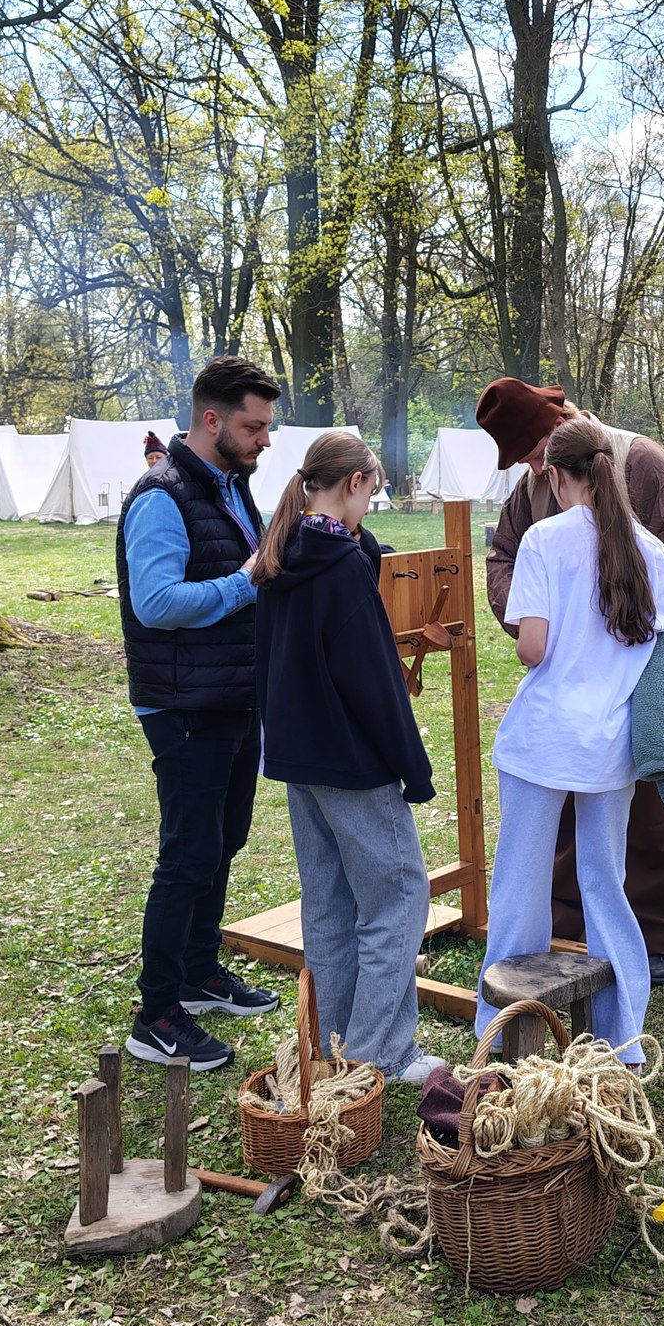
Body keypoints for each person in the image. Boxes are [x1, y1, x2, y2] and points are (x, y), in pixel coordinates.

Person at [476, 416, 664, 1061]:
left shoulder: (544, 540)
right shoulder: (650, 549)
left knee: (519, 887)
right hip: (610, 745)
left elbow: (533, 648)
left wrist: (539, 640)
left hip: (543, 743)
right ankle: (622, 1036)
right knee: (607, 885)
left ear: (554, 475)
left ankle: (505, 1036)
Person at [253, 433, 443, 1085]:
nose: (376, 507)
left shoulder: (284, 552)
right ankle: (379, 1054)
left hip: (298, 756)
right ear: (356, 484)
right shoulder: (336, 569)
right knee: (398, 899)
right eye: (376, 492)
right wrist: (413, 771)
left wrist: (362, 549)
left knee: (331, 904)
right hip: (350, 762)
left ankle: (334, 1046)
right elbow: (377, 683)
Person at [117, 356, 283, 1071]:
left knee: (225, 839)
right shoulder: (162, 496)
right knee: (187, 855)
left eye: (266, 427)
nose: (264, 440)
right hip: (184, 704)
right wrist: (245, 585)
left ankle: (197, 971)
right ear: (211, 420)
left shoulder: (230, 487)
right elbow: (156, 604)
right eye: (253, 425)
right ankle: (156, 1012)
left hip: (231, 698)